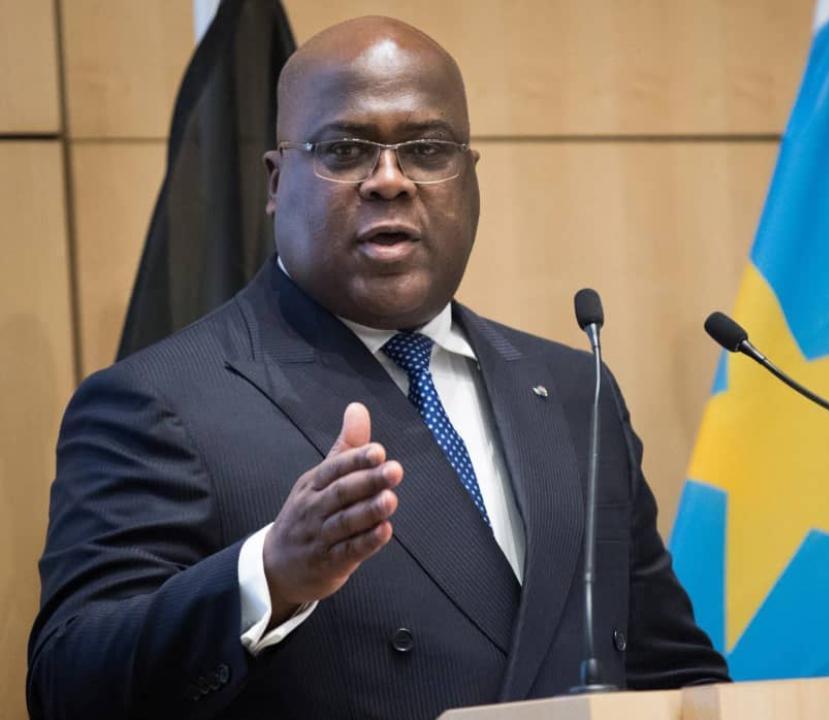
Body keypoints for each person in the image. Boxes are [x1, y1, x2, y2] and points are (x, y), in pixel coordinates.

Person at [27, 16, 729, 720]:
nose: (389, 181)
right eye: (345, 149)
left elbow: (667, 667)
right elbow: (68, 687)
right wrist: (270, 575)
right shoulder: (162, 402)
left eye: (427, 149)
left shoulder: (575, 391)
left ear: (470, 177)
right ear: (276, 181)